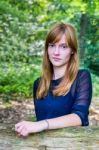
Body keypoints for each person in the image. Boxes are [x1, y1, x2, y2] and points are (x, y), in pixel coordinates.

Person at [15, 22, 92, 137]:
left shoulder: (82, 77)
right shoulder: (39, 84)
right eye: (52, 45)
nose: (56, 52)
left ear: (72, 50)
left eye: (63, 46)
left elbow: (79, 117)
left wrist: (41, 124)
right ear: (47, 49)